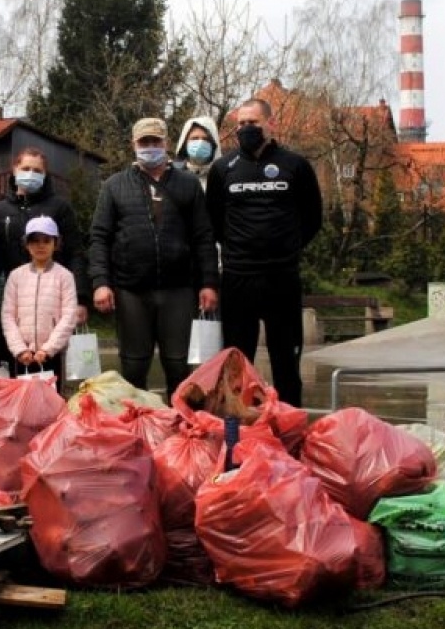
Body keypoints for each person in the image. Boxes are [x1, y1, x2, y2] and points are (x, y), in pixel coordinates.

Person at [88, 117, 220, 396]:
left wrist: (209, 282)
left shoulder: (188, 185)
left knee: (179, 366)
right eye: (144, 142)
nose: (150, 146)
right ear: (133, 145)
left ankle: (180, 420)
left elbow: (203, 237)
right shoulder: (114, 185)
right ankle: (138, 420)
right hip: (131, 290)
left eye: (155, 141)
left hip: (179, 289)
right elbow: (99, 237)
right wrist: (101, 282)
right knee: (133, 367)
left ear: (166, 143)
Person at [206, 97, 323, 406]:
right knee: (236, 360)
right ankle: (238, 425)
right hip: (238, 277)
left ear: (271, 124)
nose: (247, 129)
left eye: (253, 123)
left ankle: (288, 424)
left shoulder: (295, 166)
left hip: (282, 276)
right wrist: (238, 249)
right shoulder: (222, 169)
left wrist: (287, 248)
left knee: (286, 359)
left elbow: (313, 218)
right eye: (241, 124)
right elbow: (214, 221)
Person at [0, 148, 87, 373]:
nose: (31, 173)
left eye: (37, 170)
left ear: (45, 174)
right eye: (25, 168)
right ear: (14, 170)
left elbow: (75, 252)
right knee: (13, 371)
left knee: (51, 377)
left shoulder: (60, 207)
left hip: (52, 302)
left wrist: (80, 298)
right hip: (11, 303)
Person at [0, 215, 77, 383]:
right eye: (35, 241)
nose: (40, 245)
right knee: (21, 396)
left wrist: (48, 349)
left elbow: (69, 316)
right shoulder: (16, 276)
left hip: (52, 355)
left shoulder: (65, 276)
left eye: (46, 241)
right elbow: (7, 315)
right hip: (22, 356)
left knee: (51, 396)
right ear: (27, 244)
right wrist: (19, 349)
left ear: (56, 243)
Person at [174, 114, 221, 190]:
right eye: (195, 138)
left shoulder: (222, 177)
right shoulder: (173, 176)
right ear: (185, 143)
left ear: (213, 144)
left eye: (206, 139)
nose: (200, 143)